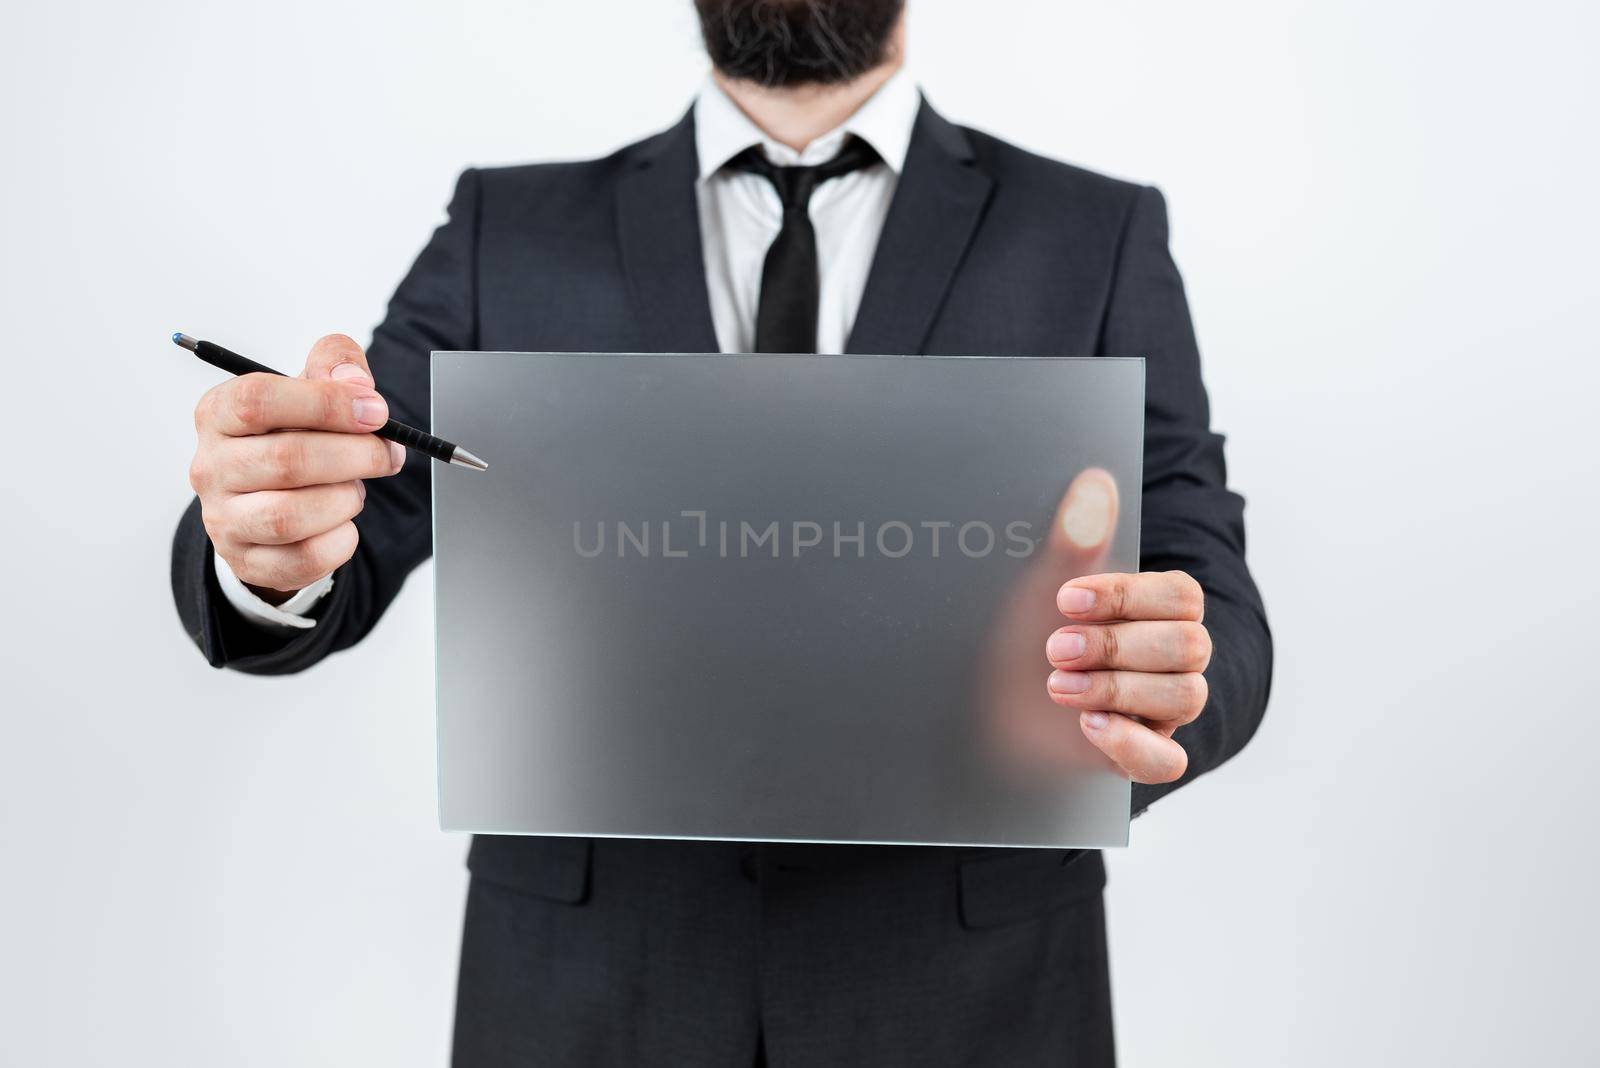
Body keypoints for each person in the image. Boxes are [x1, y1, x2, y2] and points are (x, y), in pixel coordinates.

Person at [171, 1, 1273, 1063]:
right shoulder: (502, 233)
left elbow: (1199, 569)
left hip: (969, 1000)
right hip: (591, 996)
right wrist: (269, 542)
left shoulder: (1092, 232)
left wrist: (1172, 673)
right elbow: (355, 523)